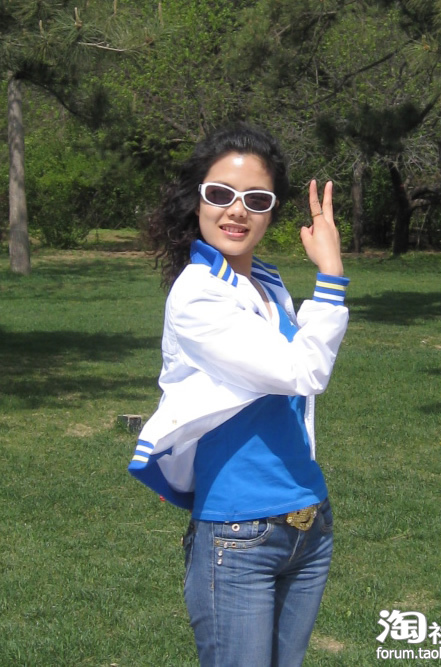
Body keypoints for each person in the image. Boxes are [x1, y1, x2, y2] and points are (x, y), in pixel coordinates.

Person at [128, 123, 349, 667]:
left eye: (256, 199)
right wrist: (331, 274)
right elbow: (304, 371)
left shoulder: (266, 285)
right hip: (239, 531)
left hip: (308, 521)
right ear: (197, 200)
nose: (236, 210)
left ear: (271, 213)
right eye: (221, 193)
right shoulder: (196, 296)